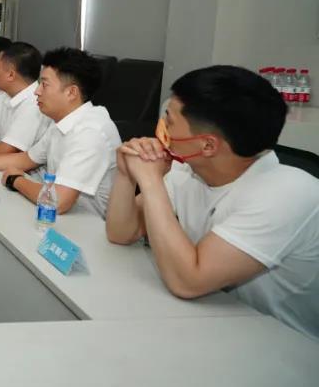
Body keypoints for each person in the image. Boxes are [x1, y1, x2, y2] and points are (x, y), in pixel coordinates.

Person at [105, 65, 318, 340]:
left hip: (284, 344)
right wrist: (126, 175)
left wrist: (150, 181)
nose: (162, 128)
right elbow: (121, 233)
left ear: (207, 145)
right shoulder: (187, 171)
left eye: (169, 120)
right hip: (214, 321)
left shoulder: (288, 193)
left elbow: (187, 281)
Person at [0, 48, 121, 218]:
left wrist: (15, 180)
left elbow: (57, 201)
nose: (37, 91)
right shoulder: (61, 121)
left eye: (44, 84)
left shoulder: (90, 132)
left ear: (71, 92)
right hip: (60, 216)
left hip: (87, 224)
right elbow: (26, 159)